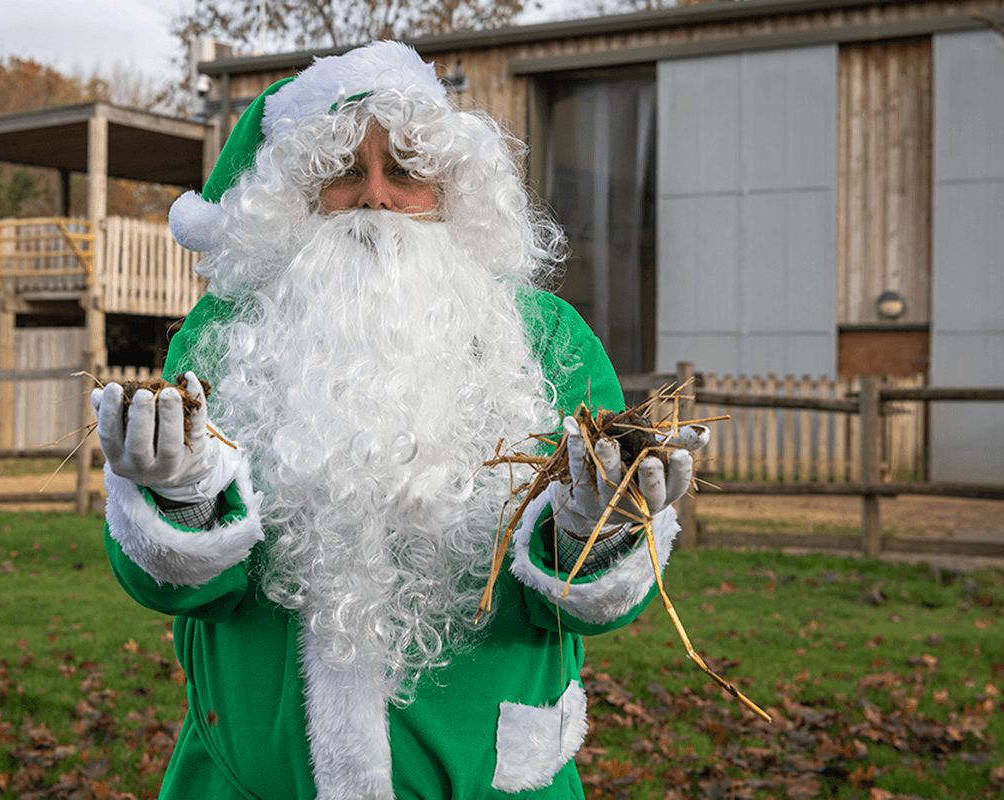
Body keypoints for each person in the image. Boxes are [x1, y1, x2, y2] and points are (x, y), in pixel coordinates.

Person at [92, 40, 706, 800]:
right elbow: (183, 590)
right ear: (298, 197)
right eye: (343, 173)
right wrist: (179, 504)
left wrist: (593, 533)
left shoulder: (547, 338)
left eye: (406, 172)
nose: (377, 197)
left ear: (452, 190)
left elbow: (584, 607)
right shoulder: (225, 334)